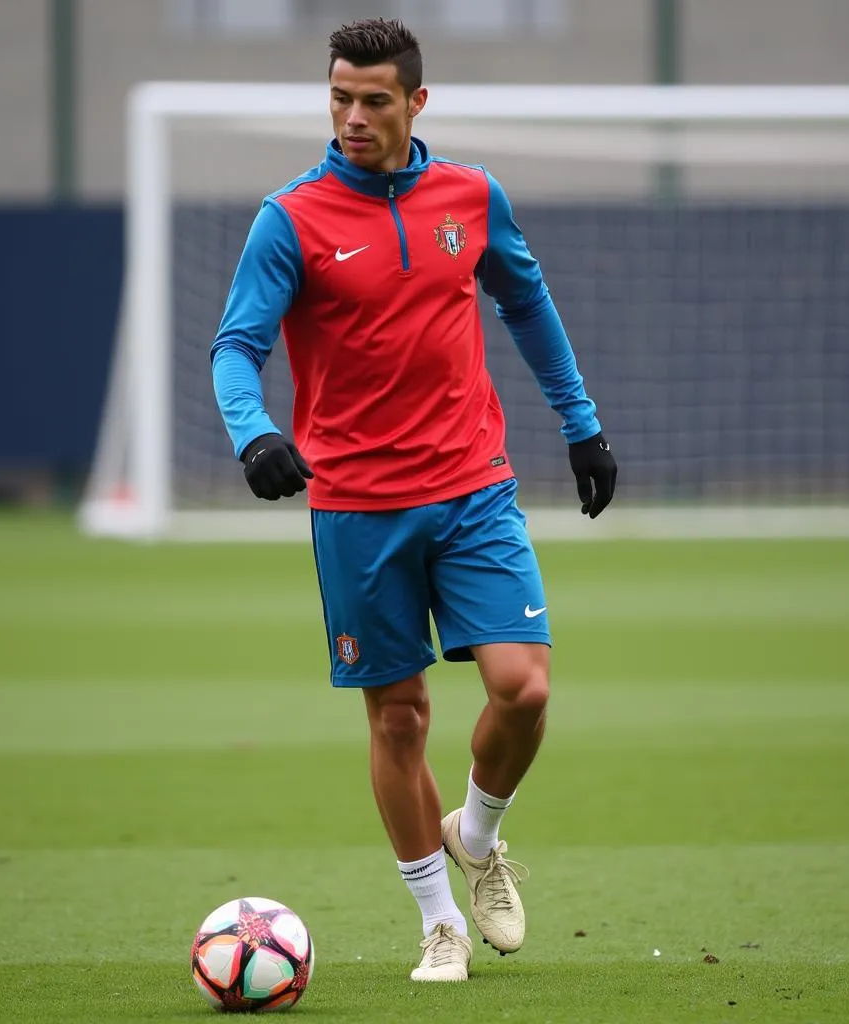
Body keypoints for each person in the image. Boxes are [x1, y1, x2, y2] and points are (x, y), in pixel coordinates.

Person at [211, 17, 616, 983]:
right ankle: (438, 920)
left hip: (473, 487)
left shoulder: (470, 198)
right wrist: (255, 433)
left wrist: (580, 421)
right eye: (340, 99)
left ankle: (477, 836)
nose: (353, 117)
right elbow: (237, 349)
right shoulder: (291, 217)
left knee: (525, 689)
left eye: (374, 100)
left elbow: (527, 304)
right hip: (356, 506)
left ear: (416, 103)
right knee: (399, 720)